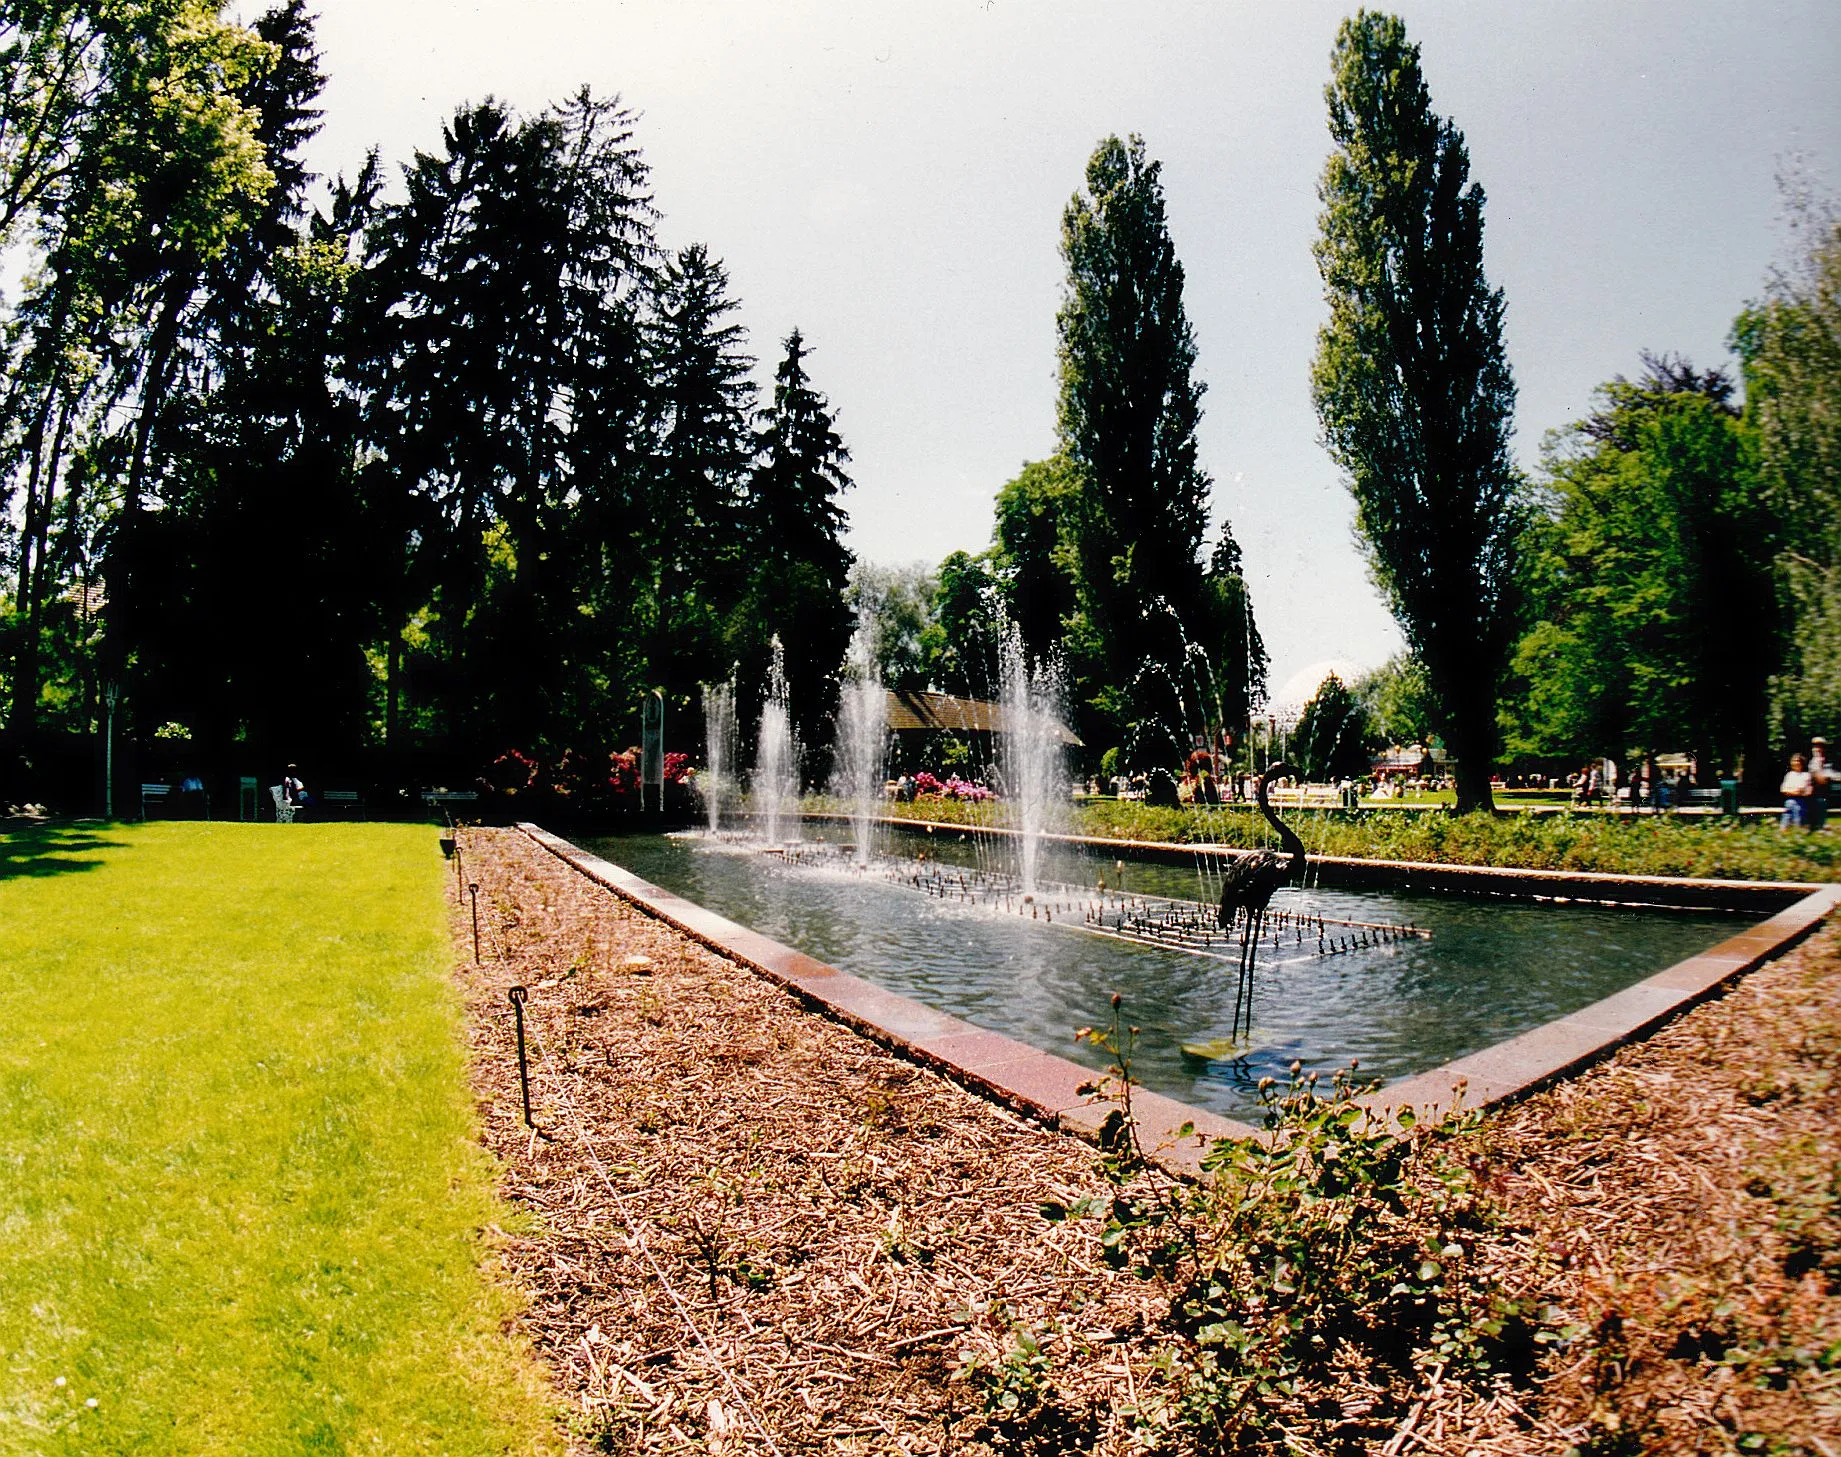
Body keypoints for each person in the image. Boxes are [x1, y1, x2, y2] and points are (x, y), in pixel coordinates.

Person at [1781, 753, 1815, 830]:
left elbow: (1807, 791)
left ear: (1801, 762)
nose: (1795, 763)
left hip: (1800, 803)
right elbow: (1783, 789)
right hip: (1788, 803)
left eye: (1797, 761)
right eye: (1793, 761)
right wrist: (1796, 791)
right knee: (1785, 826)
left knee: (1798, 825)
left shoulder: (1806, 775)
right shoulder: (1789, 775)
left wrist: (1792, 791)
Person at [1810, 737, 1832, 831]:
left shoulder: (1826, 762)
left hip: (1821, 792)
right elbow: (1819, 778)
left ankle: (1820, 826)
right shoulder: (1813, 761)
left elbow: (1823, 779)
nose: (1817, 749)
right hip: (1812, 791)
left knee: (1821, 803)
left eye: (1820, 746)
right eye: (1815, 746)